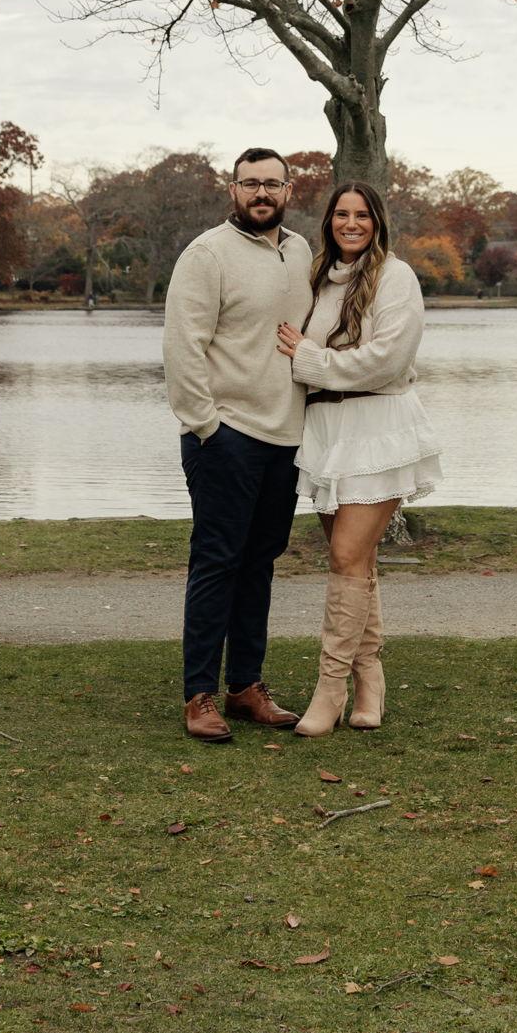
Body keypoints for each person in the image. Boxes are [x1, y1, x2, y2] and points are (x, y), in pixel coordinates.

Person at [275, 181, 441, 736]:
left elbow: (386, 360)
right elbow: (287, 343)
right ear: (329, 221)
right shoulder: (317, 279)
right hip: (326, 431)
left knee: (346, 556)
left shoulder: (396, 277)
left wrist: (311, 360)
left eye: (362, 215)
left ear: (377, 222)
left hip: (379, 427)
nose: (351, 223)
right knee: (357, 563)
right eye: (341, 214)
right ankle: (370, 677)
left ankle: (330, 690)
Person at [162, 146, 315, 742]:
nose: (261, 193)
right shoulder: (207, 254)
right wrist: (206, 426)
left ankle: (246, 685)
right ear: (233, 191)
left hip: (286, 437)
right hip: (226, 436)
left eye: (272, 183)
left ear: (289, 191)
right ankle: (199, 694)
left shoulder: (300, 251)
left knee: (259, 564)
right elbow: (183, 347)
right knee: (217, 562)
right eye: (250, 183)